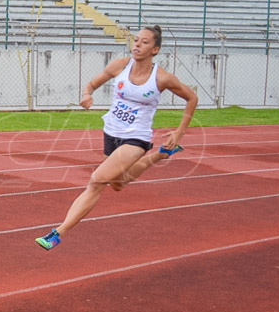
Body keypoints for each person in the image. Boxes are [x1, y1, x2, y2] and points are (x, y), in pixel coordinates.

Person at [35, 25, 198, 250]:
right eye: (136, 40)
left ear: (155, 49)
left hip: (136, 138)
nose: (137, 45)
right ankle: (162, 154)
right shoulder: (119, 66)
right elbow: (92, 84)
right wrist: (86, 95)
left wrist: (179, 132)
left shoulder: (162, 78)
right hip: (111, 132)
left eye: (144, 42)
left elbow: (192, 98)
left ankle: (58, 233)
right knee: (118, 184)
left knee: (97, 180)